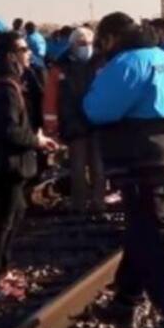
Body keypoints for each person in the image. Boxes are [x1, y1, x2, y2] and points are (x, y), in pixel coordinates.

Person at [82, 11, 164, 328]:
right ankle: (125, 302)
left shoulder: (125, 64)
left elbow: (97, 110)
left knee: (154, 237)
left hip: (142, 164)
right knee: (141, 232)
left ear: (111, 38)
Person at [0, 31, 59, 300]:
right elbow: (9, 131)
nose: (29, 53)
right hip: (6, 163)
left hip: (11, 161)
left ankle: (3, 269)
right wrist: (37, 141)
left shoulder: (8, 82)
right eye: (24, 49)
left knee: (15, 213)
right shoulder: (4, 88)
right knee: (3, 220)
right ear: (11, 55)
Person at [54, 26, 106, 212]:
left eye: (89, 43)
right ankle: (79, 205)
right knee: (77, 167)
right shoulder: (62, 65)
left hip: (97, 122)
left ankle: (99, 202)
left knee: (98, 166)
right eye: (81, 43)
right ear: (72, 45)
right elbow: (55, 97)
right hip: (74, 123)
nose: (86, 47)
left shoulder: (101, 62)